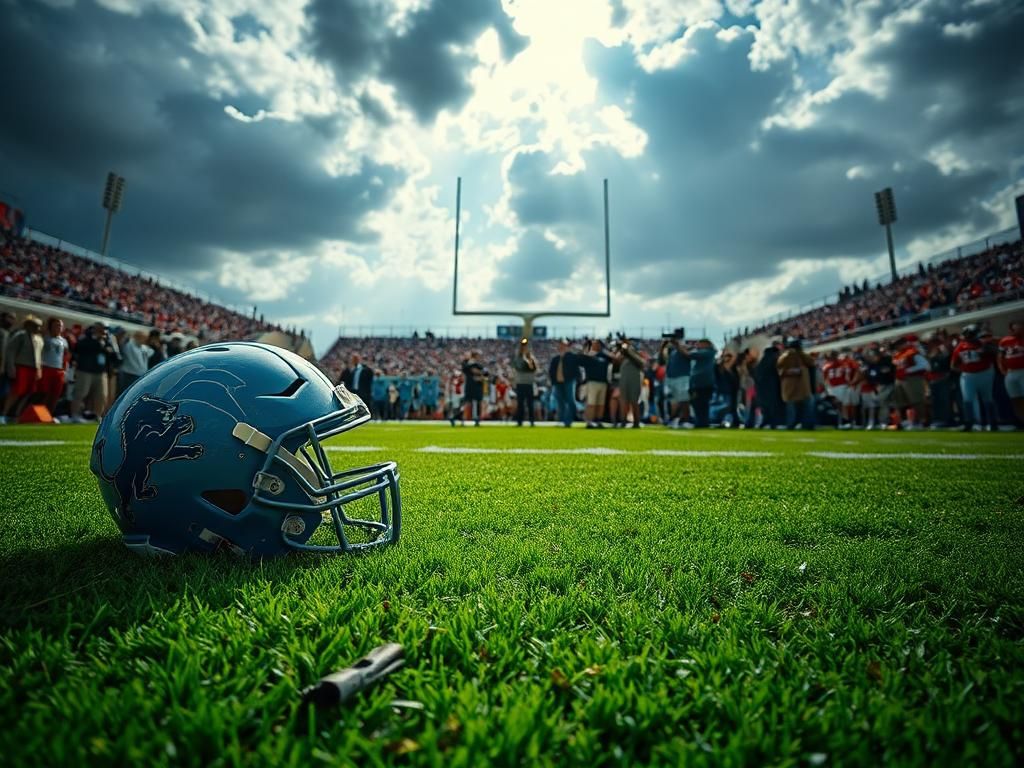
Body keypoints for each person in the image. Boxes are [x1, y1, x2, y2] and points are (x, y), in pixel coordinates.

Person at [952, 324, 996, 431]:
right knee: (967, 399)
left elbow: (995, 353)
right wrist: (965, 370)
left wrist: (985, 351)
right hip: (968, 375)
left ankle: (992, 423)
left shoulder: (985, 344)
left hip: (985, 373)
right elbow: (953, 365)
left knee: (987, 398)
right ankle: (970, 423)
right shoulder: (960, 346)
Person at [69, 321, 116, 422]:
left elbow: (113, 355)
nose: (104, 331)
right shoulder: (86, 337)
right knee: (81, 393)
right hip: (85, 370)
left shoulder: (107, 340)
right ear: (95, 328)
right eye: (102, 329)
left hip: (101, 371)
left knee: (101, 395)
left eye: (105, 329)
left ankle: (97, 416)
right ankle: (75, 415)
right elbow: (80, 348)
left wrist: (108, 346)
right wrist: (97, 342)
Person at [1, 314, 44, 423]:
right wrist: (11, 367)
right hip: (21, 367)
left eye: (39, 326)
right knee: (15, 392)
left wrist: (39, 369)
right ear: (28, 325)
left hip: (33, 369)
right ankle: (3, 414)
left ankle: (16, 414)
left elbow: (39, 356)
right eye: (35, 325)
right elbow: (11, 352)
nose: (37, 328)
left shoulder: (39, 339)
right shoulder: (20, 335)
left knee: (28, 393)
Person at [776, 337, 814, 429]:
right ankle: (800, 424)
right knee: (798, 407)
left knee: (796, 407)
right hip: (798, 387)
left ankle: (798, 424)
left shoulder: (787, 356)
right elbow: (780, 370)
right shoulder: (785, 357)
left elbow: (811, 362)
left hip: (796, 387)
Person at [893, 334, 929, 429]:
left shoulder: (912, 352)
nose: (896, 347)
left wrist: (908, 370)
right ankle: (909, 421)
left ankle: (922, 421)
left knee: (917, 401)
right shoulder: (898, 354)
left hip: (912, 379)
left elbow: (925, 365)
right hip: (901, 379)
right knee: (902, 402)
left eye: (898, 344)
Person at [39, 317, 69, 419]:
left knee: (55, 394)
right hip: (46, 367)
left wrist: (65, 370)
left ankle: (48, 415)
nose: (59, 328)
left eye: (60, 326)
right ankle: (39, 414)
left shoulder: (64, 341)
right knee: (44, 393)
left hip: (58, 370)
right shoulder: (44, 338)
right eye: (56, 325)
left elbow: (65, 357)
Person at [660, 333, 691, 427]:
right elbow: (663, 359)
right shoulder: (672, 352)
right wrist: (663, 347)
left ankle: (685, 420)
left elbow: (687, 355)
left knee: (684, 400)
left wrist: (677, 344)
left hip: (683, 377)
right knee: (673, 401)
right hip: (671, 378)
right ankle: (675, 419)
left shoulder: (686, 348)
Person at [614, 338, 645, 428]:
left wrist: (628, 351)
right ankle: (623, 421)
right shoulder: (623, 355)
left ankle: (636, 422)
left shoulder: (637, 354)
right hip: (624, 379)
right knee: (624, 401)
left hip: (634, 379)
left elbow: (641, 363)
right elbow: (616, 360)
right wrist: (621, 349)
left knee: (634, 401)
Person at [998, 321, 1024, 426]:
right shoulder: (1004, 341)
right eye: (1013, 329)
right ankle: (1021, 421)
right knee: (1015, 398)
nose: (1015, 331)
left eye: (1018, 328)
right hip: (1010, 372)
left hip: (1022, 370)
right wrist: (1002, 369)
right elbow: (1000, 356)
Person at [581, 339, 611, 428]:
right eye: (594, 344)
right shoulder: (589, 355)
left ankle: (598, 421)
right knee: (591, 403)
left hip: (603, 382)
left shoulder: (604, 356)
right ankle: (589, 422)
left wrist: (605, 349)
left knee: (600, 404)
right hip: (592, 382)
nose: (596, 345)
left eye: (597, 344)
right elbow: (583, 356)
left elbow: (613, 357)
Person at [548, 338, 578, 427]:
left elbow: (576, 370)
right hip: (558, 383)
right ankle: (562, 420)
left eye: (563, 345)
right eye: (560, 345)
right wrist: (553, 382)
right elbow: (551, 371)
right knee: (560, 401)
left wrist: (575, 379)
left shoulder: (571, 357)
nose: (561, 347)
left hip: (569, 381)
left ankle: (569, 420)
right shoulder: (555, 359)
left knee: (570, 400)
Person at [688, 339, 717, 428]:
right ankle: (701, 421)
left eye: (700, 343)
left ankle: (702, 422)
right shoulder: (707, 353)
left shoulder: (709, 352)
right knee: (698, 403)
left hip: (704, 383)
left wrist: (680, 347)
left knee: (701, 403)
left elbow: (689, 354)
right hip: (698, 382)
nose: (698, 345)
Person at [513, 340, 537, 426]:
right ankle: (520, 421)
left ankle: (532, 420)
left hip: (529, 383)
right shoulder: (518, 358)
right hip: (520, 383)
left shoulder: (531, 359)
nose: (525, 348)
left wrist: (529, 359)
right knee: (520, 403)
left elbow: (533, 369)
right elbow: (519, 367)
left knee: (530, 403)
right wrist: (524, 357)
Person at [462, 351, 485, 426]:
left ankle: (476, 419)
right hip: (471, 385)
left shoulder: (477, 364)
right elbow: (469, 369)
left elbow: (484, 373)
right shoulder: (467, 363)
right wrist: (479, 373)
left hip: (476, 385)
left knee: (476, 402)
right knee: (468, 402)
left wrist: (480, 374)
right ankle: (464, 418)